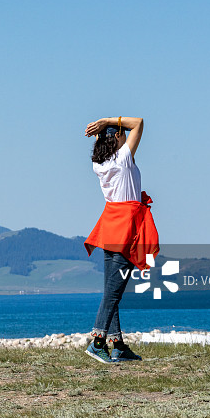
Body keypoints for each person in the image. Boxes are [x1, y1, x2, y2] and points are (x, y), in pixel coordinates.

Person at [82, 116, 159, 363]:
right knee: (113, 294)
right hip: (126, 230)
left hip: (110, 228)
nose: (126, 135)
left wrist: (102, 132)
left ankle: (118, 345)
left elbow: (117, 136)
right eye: (121, 133)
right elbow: (138, 122)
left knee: (110, 291)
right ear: (117, 136)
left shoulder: (99, 164)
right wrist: (107, 121)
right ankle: (97, 342)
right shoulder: (123, 159)